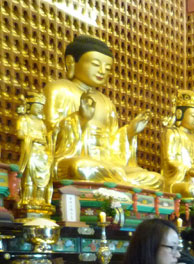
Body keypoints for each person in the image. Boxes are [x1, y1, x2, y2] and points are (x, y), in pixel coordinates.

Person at [44, 35, 163, 189]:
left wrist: (129, 132)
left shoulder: (107, 102)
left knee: (156, 179)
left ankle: (119, 181)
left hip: (107, 162)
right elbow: (49, 135)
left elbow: (112, 142)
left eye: (107, 68)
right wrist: (79, 119)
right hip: (74, 159)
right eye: (95, 64)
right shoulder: (59, 90)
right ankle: (122, 184)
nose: (102, 71)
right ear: (71, 62)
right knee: (81, 168)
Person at [15, 92, 54, 212]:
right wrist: (33, 138)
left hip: (43, 153)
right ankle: (27, 199)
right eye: (37, 107)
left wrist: (52, 135)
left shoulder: (41, 123)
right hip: (31, 151)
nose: (39, 109)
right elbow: (20, 134)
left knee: (44, 177)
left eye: (41, 107)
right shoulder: (24, 119)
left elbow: (46, 138)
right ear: (29, 107)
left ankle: (41, 200)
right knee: (29, 176)